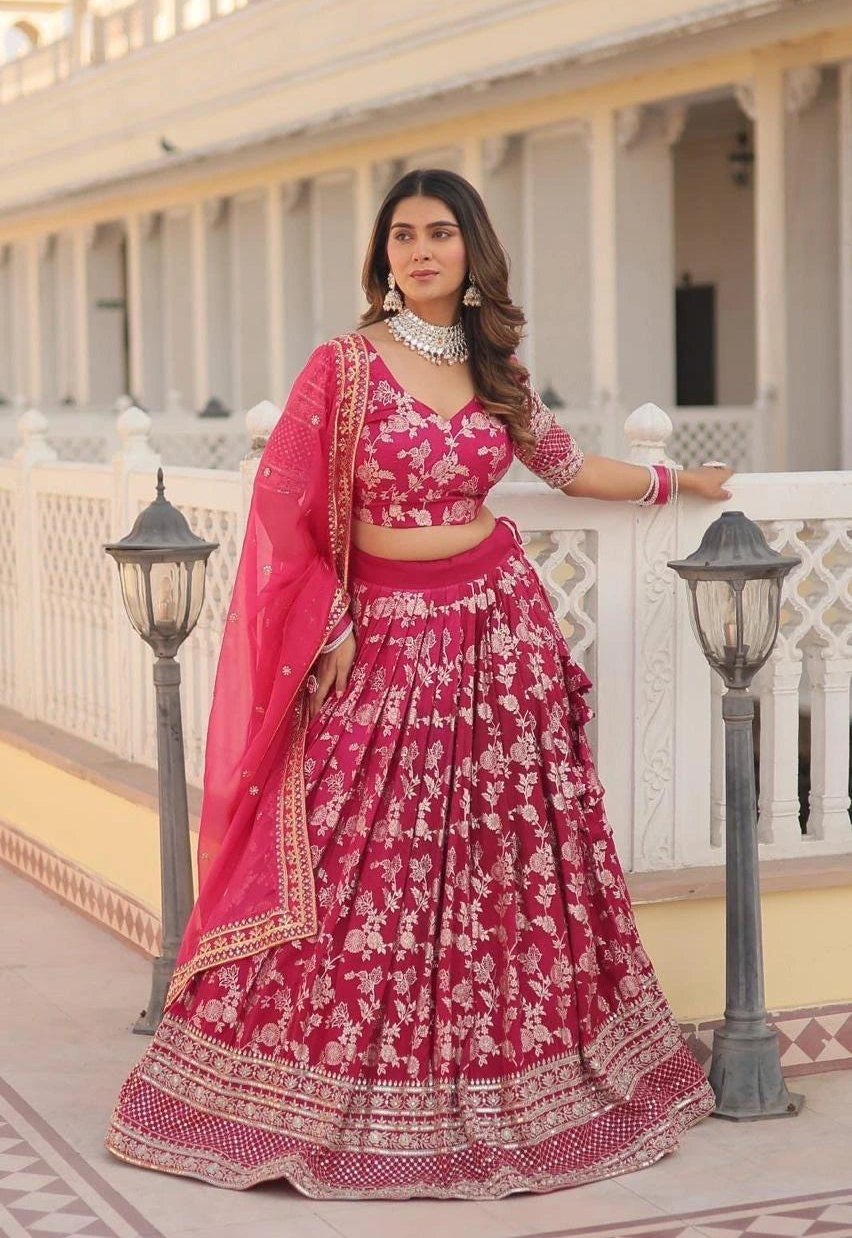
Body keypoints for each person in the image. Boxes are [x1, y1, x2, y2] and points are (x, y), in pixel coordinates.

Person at [106, 168, 731, 1199]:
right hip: (384, 638)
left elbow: (568, 467)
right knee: (357, 853)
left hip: (496, 634)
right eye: (403, 235)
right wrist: (333, 620)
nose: (421, 251)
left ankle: (502, 1067)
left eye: (440, 233)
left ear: (471, 250)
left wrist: (677, 481)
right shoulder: (343, 367)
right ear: (384, 256)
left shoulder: (497, 371)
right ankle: (300, 1079)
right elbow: (282, 509)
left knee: (499, 860)